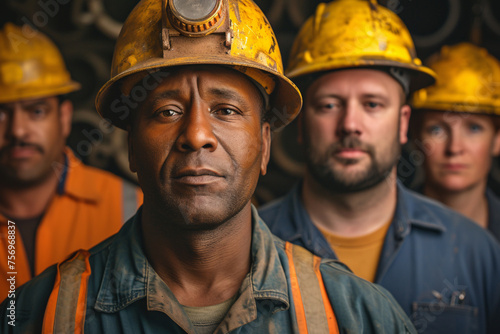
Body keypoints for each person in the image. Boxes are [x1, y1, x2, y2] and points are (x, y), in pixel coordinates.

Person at [0, 1, 419, 333]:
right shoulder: (39, 316)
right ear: (130, 146)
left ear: (266, 144)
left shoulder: (359, 316)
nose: (197, 134)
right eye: (166, 111)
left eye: (226, 109)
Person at [259, 1, 500, 333]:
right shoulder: (248, 248)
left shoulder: (477, 252)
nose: (350, 124)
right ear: (301, 123)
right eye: (329, 105)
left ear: (403, 123)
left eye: (372, 104)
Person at [0, 23, 142, 300]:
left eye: (36, 111)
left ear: (64, 118)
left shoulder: (130, 207)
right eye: (0, 114)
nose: (17, 130)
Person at [411, 42, 500, 241]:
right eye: (437, 129)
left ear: (497, 139)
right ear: (415, 136)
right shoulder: (384, 231)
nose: (454, 148)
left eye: (474, 128)